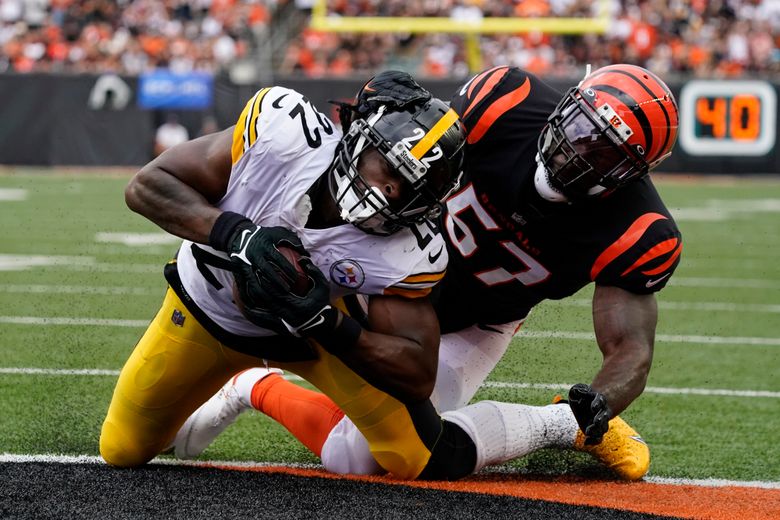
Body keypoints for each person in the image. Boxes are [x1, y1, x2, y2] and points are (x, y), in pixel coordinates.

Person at [175, 64, 681, 481]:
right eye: (580, 125)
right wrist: (379, 95)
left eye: (603, 150)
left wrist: (602, 399)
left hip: (475, 321)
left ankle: (253, 388)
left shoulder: (639, 229)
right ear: (568, 101)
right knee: (276, 292)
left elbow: (630, 349)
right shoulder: (509, 101)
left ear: (632, 174)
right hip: (382, 275)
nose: (579, 146)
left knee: (361, 459)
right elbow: (412, 139)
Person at [99, 76, 468, 471]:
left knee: (413, 457)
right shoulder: (284, 136)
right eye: (388, 168)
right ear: (361, 139)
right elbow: (147, 186)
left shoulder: (409, 251)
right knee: (122, 449)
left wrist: (325, 324)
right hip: (205, 313)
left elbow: (417, 374)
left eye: (410, 187)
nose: (391, 191)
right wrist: (238, 235)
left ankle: (257, 389)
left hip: (310, 339)